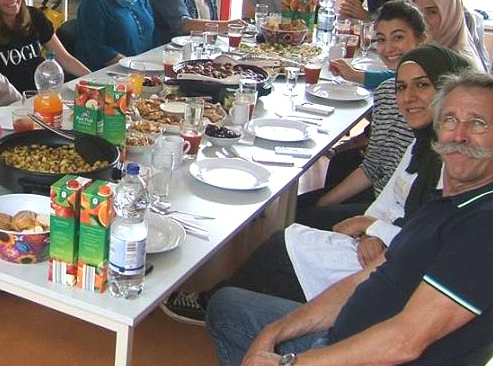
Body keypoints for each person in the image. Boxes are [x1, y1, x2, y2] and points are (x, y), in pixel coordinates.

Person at [161, 45, 470, 326]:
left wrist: (373, 229)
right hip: (384, 237)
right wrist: (371, 229)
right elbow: (390, 199)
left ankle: (220, 304)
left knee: (282, 245)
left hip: (396, 265)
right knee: (289, 234)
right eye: (402, 87)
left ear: (448, 88)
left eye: (422, 85)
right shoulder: (424, 142)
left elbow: (430, 235)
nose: (408, 97)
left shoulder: (452, 161)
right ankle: (240, 298)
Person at [207, 70, 493, 366]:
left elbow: (405, 342)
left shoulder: (487, 227)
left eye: (478, 123)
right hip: (346, 337)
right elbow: (365, 278)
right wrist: (274, 330)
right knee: (227, 306)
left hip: (370, 357)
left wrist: (293, 362)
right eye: (450, 120)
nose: (459, 135)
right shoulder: (447, 202)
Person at [296, 0, 425, 230]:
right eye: (381, 40)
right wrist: (325, 203)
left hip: (401, 210)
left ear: (421, 40)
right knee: (301, 206)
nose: (389, 48)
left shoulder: (431, 96)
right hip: (381, 192)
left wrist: (324, 205)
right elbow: (373, 165)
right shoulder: (385, 91)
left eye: (398, 37)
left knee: (300, 217)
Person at [0, 0, 90, 92]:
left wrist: (93, 80)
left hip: (46, 93)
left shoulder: (34, 15)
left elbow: (64, 58)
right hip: (13, 101)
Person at [412, 0, 484, 71]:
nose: (422, 18)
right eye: (416, 11)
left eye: (432, 12)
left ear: (451, 16)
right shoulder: (419, 51)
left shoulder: (461, 65)